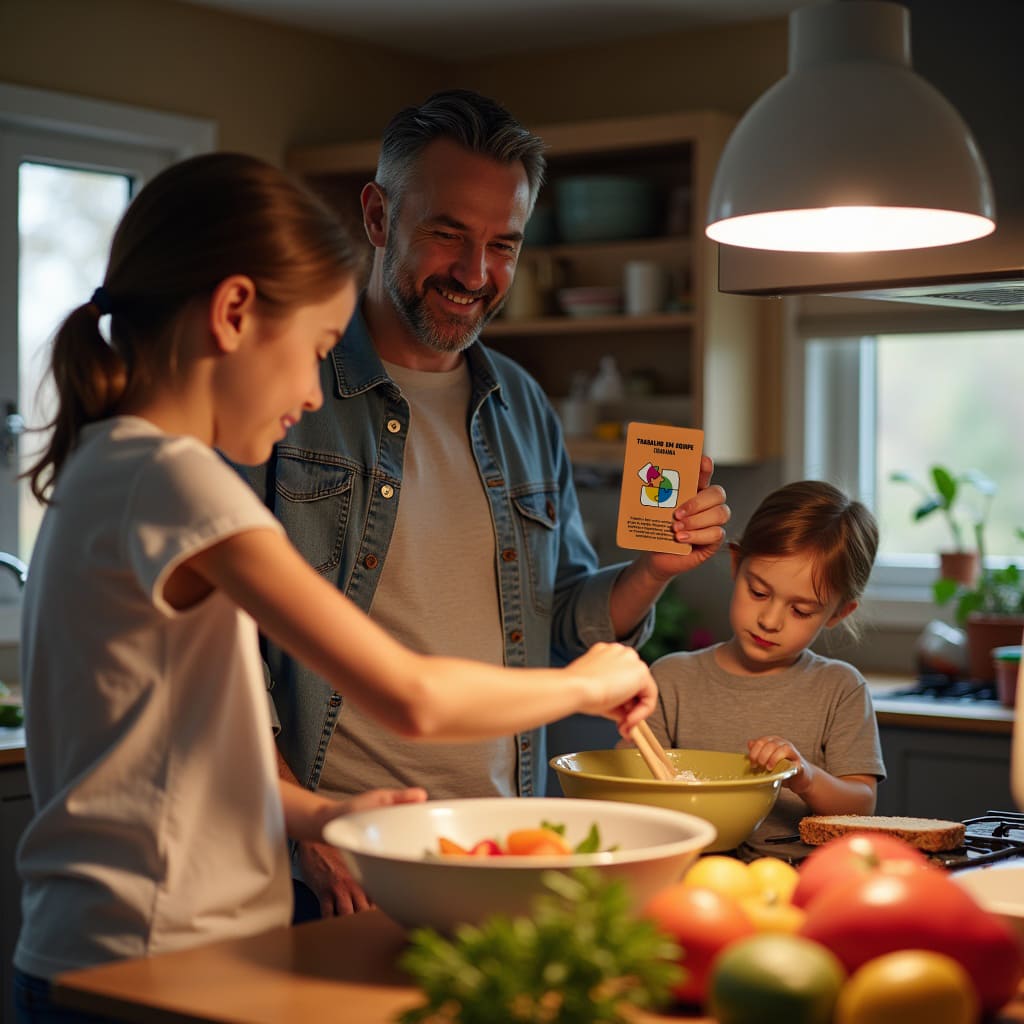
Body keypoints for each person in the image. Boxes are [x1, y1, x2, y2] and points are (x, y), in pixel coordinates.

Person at [13, 151, 660, 1023]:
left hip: (94, 951)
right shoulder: (178, 480)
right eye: (316, 350)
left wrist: (320, 815)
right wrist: (588, 681)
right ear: (236, 312)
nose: (315, 390)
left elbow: (162, 757)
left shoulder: (106, 467)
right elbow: (410, 695)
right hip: (162, 957)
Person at [241, 88, 731, 916]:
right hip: (331, 864)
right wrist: (310, 828)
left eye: (502, 244)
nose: (475, 275)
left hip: (496, 845)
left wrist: (652, 573)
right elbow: (233, 657)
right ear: (376, 215)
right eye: (447, 235)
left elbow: (563, 621)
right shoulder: (290, 394)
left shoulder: (522, 405)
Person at [644, 480, 886, 854]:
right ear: (737, 564)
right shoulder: (671, 679)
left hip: (797, 886)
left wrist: (806, 777)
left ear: (838, 612)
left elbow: (860, 807)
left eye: (801, 610)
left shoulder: (841, 689)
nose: (770, 620)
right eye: (758, 592)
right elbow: (633, 795)